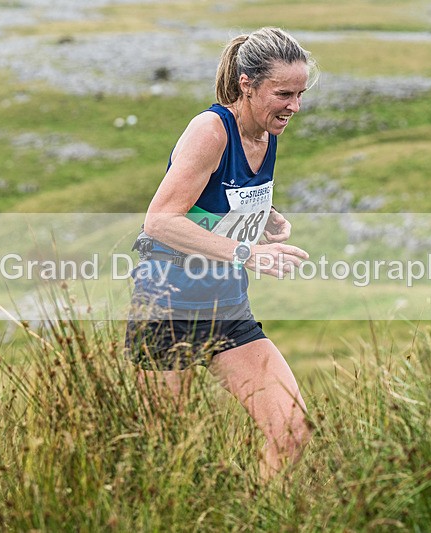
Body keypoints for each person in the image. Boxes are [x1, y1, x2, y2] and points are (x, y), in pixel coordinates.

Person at [126, 27, 317, 481]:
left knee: (292, 429)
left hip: (227, 306)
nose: (294, 106)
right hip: (168, 304)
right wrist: (248, 253)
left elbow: (215, 196)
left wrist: (265, 213)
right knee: (165, 457)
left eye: (300, 93)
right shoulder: (210, 130)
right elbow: (160, 221)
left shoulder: (267, 133)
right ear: (247, 84)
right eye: (283, 93)